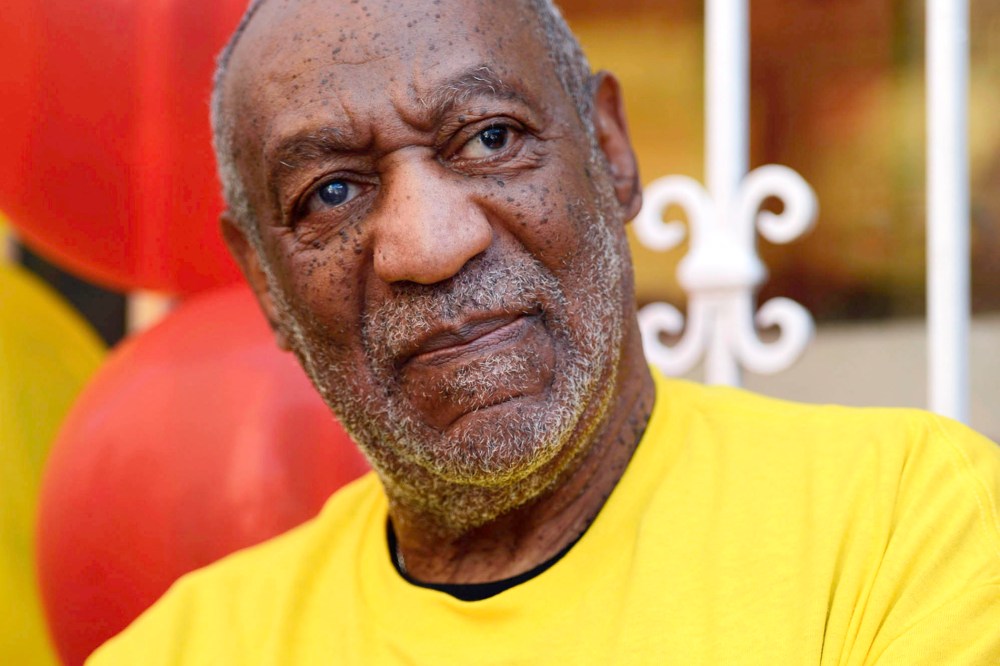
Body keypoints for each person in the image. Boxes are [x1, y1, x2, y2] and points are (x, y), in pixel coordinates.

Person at [89, 0, 1000, 663]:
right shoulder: (183, 648)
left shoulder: (908, 521)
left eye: (489, 138)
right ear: (265, 283)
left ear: (610, 152)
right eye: (332, 192)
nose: (431, 244)